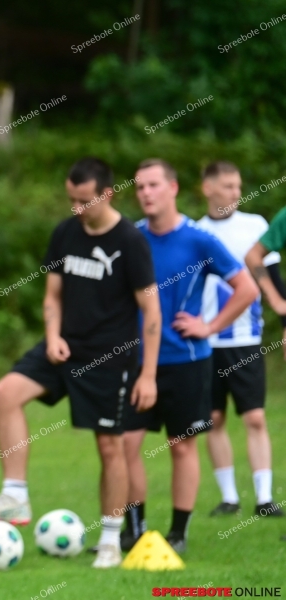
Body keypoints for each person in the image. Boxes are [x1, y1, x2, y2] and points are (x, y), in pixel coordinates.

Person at [0, 157, 161, 568]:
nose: (76, 208)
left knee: (111, 447)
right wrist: (52, 337)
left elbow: (152, 312)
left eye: (84, 201)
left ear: (106, 194)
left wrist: (148, 374)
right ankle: (15, 496)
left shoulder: (130, 241)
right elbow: (52, 296)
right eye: (71, 199)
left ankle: (109, 539)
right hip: (65, 347)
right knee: (6, 392)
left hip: (110, 358)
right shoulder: (66, 233)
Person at [122, 159, 257, 555]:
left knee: (181, 446)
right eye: (139, 187)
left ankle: (177, 535)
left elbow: (246, 288)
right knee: (126, 445)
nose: (145, 193)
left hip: (187, 361)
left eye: (152, 185)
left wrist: (209, 327)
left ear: (173, 188)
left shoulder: (199, 240)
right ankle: (135, 529)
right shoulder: (131, 238)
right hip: (136, 361)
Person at [196, 161, 284, 518]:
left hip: (245, 339)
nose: (235, 193)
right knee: (213, 419)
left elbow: (273, 277)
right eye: (228, 186)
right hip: (206, 342)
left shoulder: (255, 227)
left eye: (238, 186)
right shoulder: (195, 231)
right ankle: (229, 496)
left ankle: (264, 498)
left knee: (255, 418)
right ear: (208, 188)